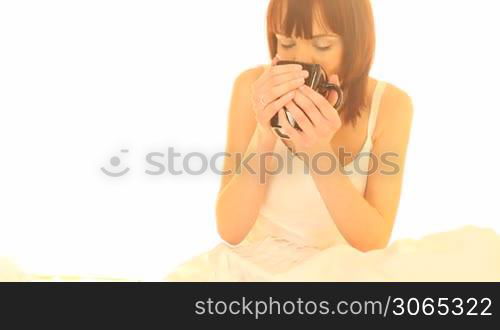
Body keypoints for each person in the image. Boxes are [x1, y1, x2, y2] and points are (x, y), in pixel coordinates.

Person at [165, 0, 500, 281]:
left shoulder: (391, 105)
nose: (303, 59)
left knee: (480, 252)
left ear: (356, 44)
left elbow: (372, 240)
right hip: (250, 268)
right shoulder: (251, 87)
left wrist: (317, 153)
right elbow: (231, 229)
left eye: (322, 45)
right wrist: (266, 134)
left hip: (340, 271)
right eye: (286, 42)